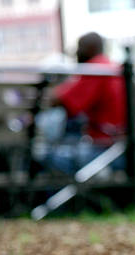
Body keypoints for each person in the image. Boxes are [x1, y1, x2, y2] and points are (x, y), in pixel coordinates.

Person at [35, 32, 126, 175]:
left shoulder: (95, 69)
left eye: (79, 48)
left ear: (89, 49)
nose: (77, 53)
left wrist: (37, 94)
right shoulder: (110, 66)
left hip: (108, 150)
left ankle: (53, 197)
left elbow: (60, 99)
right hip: (120, 148)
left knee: (46, 156)